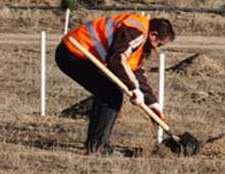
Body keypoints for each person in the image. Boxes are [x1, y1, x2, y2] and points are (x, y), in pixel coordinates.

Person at [55, 12, 174, 154]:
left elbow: (134, 71)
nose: (156, 49)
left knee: (109, 93)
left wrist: (152, 103)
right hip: (73, 52)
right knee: (110, 94)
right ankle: (98, 146)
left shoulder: (140, 43)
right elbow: (116, 59)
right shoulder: (136, 31)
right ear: (153, 35)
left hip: (80, 55)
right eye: (159, 44)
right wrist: (133, 88)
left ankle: (97, 143)